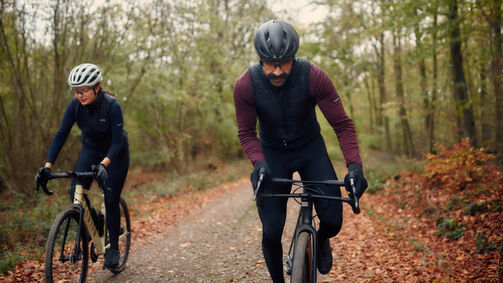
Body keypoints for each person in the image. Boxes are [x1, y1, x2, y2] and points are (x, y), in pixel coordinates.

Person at [233, 20, 367, 282]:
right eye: (271, 64)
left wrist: (354, 166)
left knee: (333, 220)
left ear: (293, 58)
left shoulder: (313, 76)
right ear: (260, 60)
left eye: (284, 62)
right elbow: (247, 133)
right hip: (272, 154)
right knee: (271, 232)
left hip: (309, 149)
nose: (278, 70)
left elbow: (342, 124)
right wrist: (258, 163)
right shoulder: (246, 85)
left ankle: (321, 239)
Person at [36, 63, 129, 269]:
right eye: (76, 91)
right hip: (90, 149)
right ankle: (95, 222)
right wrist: (47, 166)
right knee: (75, 191)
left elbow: (117, 142)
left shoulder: (112, 105)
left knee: (111, 197)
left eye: (84, 90)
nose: (79, 95)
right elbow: (61, 134)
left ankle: (113, 247)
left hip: (115, 153)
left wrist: (105, 164)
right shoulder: (75, 106)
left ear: (97, 87)